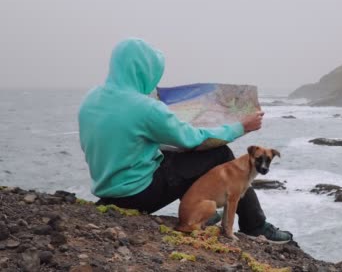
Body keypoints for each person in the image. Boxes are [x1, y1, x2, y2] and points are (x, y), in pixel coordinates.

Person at [78, 38, 293, 244]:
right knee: (219, 154)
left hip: (108, 192)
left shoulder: (91, 98)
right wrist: (241, 126)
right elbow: (191, 139)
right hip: (138, 195)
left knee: (174, 156)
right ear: (143, 70)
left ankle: (199, 211)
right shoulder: (144, 107)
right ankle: (255, 225)